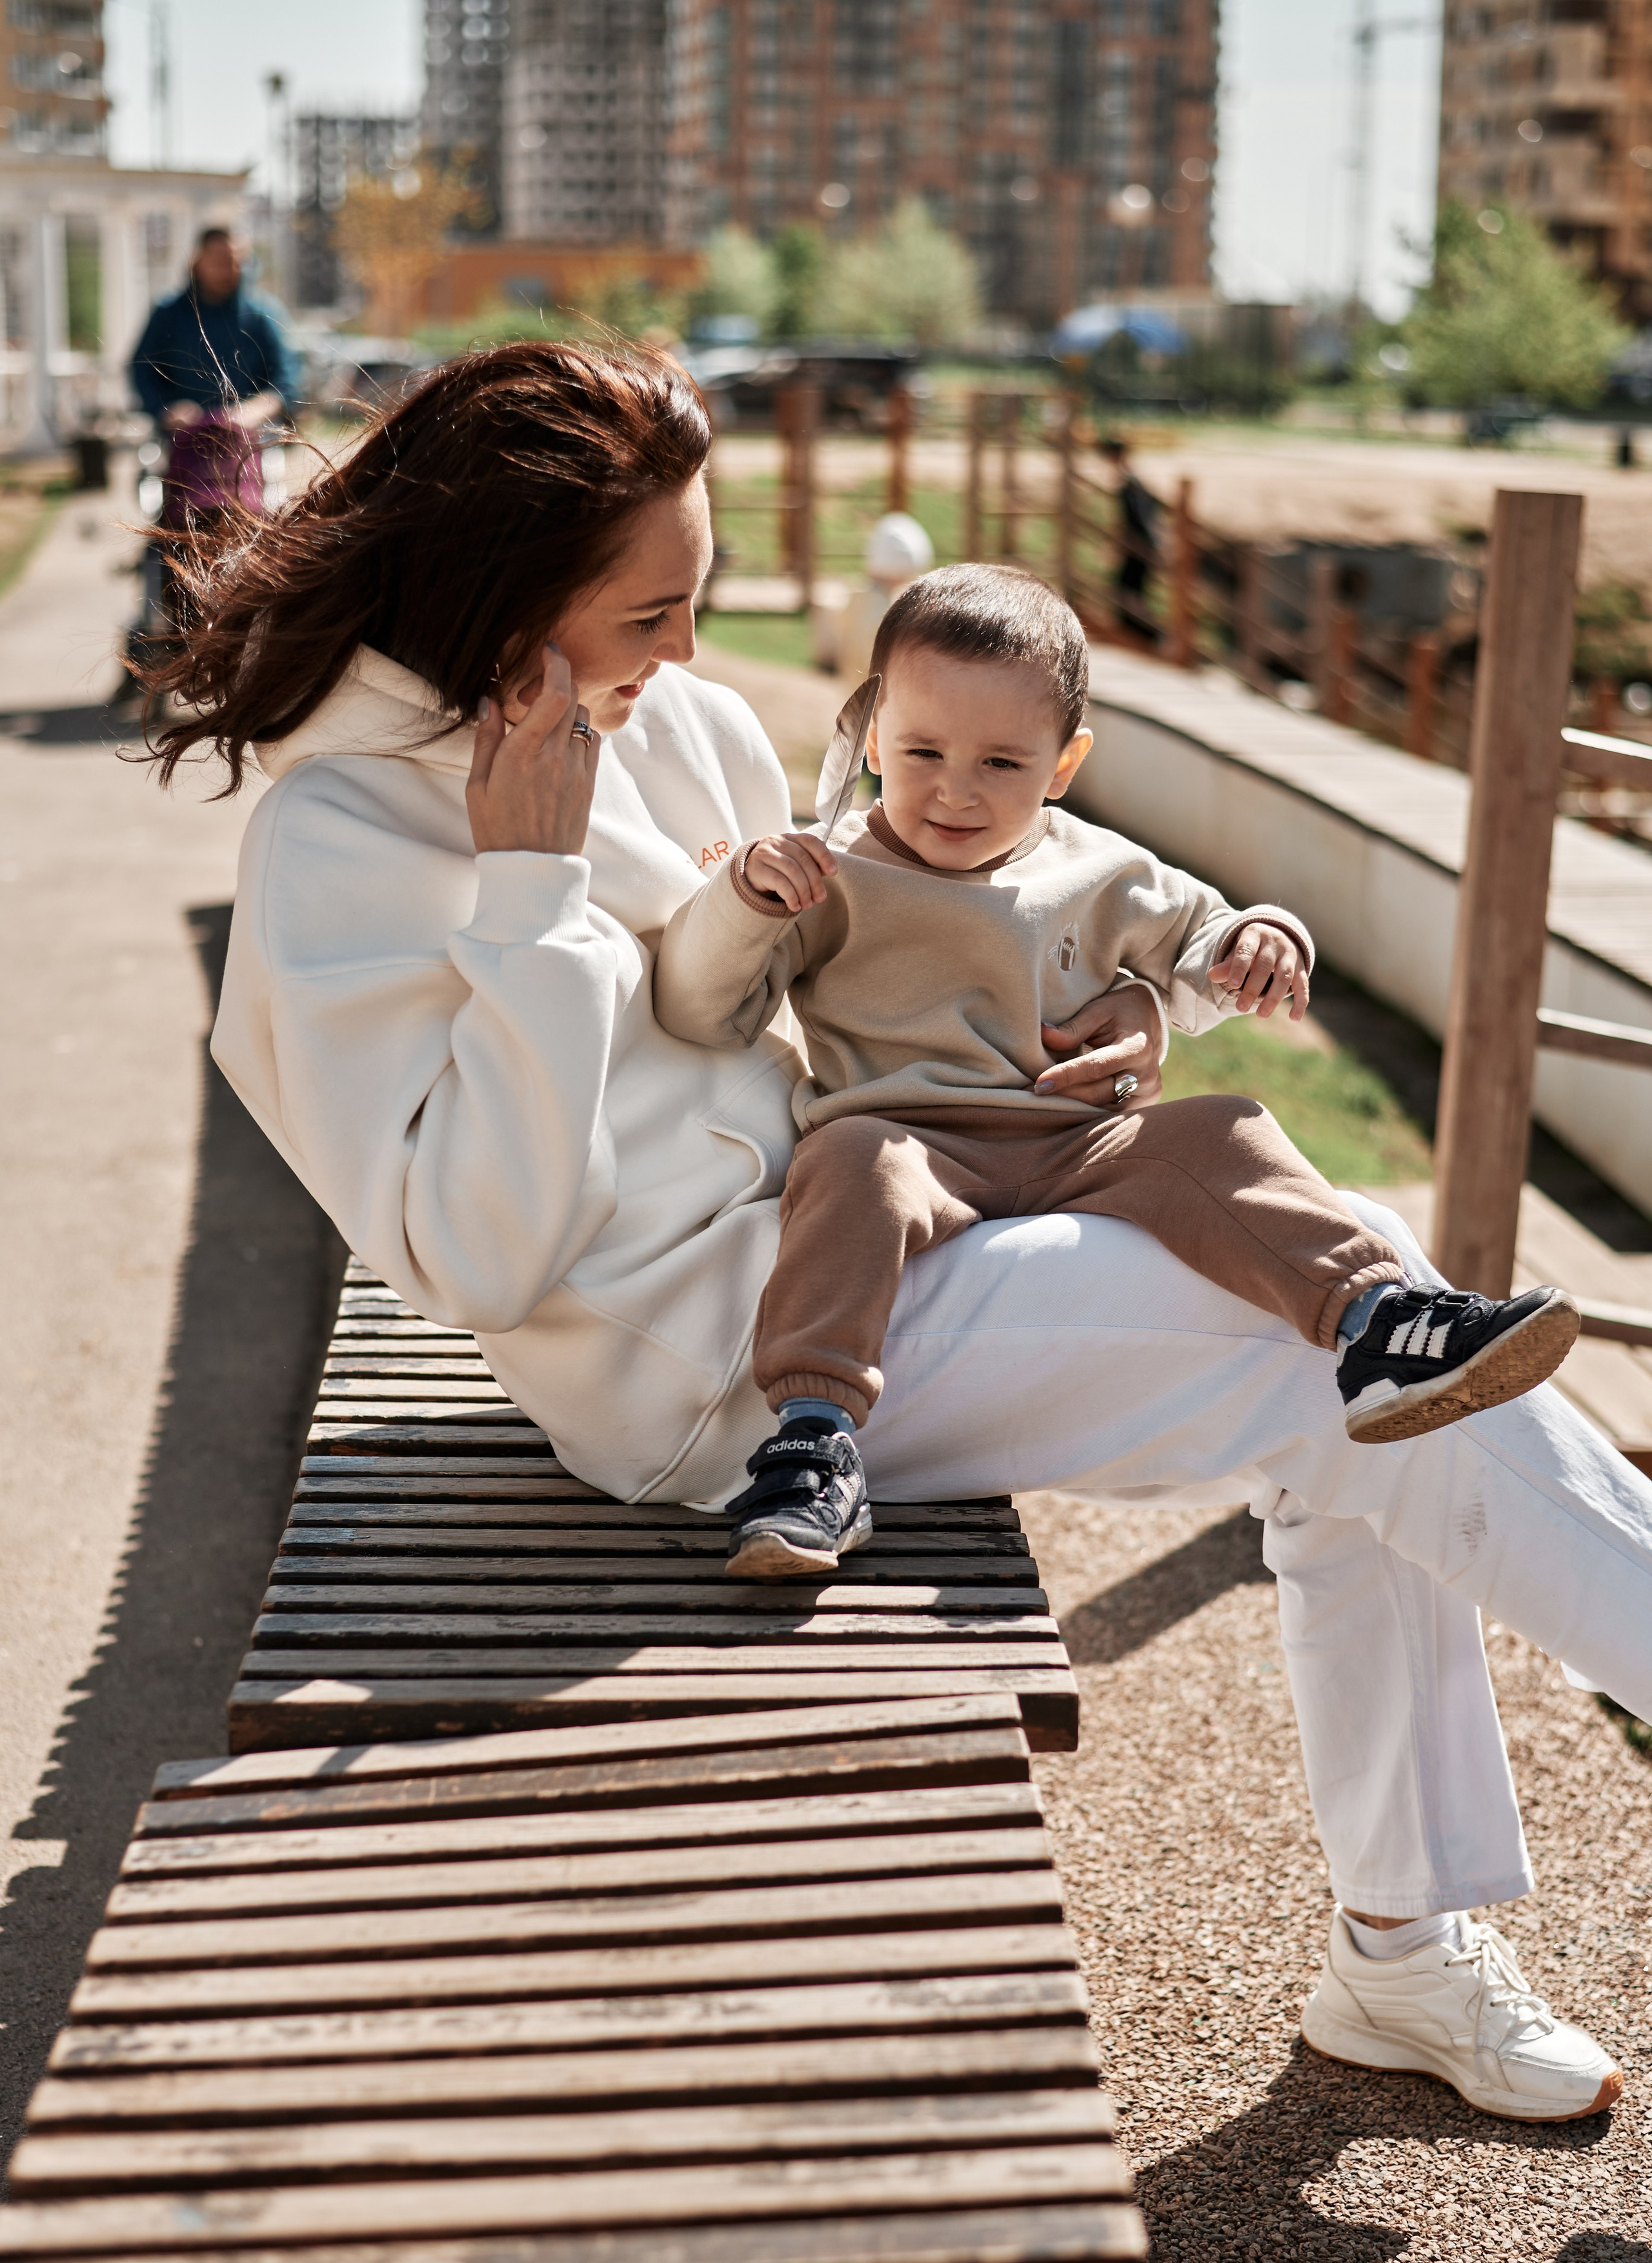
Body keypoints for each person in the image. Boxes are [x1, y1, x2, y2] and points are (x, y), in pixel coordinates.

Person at [157, 339, 1652, 2127]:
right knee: (1325, 1340)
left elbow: (866, 962)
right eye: (648, 613)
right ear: (504, 594)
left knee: (1365, 1309)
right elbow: (481, 1256)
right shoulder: (334, 843)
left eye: (697, 599)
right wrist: (531, 890)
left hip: (889, 1214)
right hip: (711, 1374)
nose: (688, 654)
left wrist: (1098, 1017)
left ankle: (1399, 1949)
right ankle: (1405, 1946)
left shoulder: (678, 724)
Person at [653, 566, 1578, 1578]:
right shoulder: (827, 871)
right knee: (846, 1162)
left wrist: (1262, 938)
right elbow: (701, 1005)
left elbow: (1203, 936)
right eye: (922, 751)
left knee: (1225, 1127)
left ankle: (1376, 1320)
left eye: (1002, 761)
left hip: (1077, 1140)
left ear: (1064, 763)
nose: (956, 788)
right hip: (912, 1141)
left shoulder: (1097, 865)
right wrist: (745, 900)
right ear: (873, 736)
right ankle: (812, 1439)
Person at [127, 227, 299, 654]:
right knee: (168, 530)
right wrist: (167, 410)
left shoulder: (262, 316)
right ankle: (164, 620)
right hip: (183, 452)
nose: (231, 269)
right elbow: (141, 371)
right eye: (222, 260)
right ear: (198, 261)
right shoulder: (168, 315)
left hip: (245, 450)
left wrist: (255, 410)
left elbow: (286, 380)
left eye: (238, 260)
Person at [1100, 434, 1161, 644]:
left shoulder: (1128, 483)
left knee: (1128, 588)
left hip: (1138, 543)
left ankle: (1144, 632)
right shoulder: (1132, 480)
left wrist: (1123, 542)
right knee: (1130, 588)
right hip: (1142, 541)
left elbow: (1133, 518)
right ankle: (1139, 631)